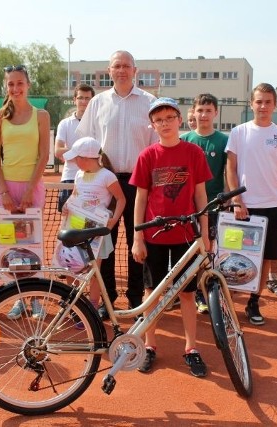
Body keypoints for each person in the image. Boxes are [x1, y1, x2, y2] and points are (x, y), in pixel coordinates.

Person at [131, 97, 212, 377]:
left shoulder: (193, 153)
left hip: (187, 236)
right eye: (158, 120)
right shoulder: (147, 156)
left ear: (180, 119)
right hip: (153, 235)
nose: (164, 124)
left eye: (169, 118)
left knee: (188, 294)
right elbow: (140, 198)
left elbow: (200, 195)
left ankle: (191, 348)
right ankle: (149, 346)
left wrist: (204, 231)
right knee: (150, 294)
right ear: (153, 125)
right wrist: (137, 237)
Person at [76, 50, 157, 318]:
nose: (121, 70)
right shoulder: (97, 103)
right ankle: (106, 299)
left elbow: (156, 147)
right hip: (104, 183)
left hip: (139, 182)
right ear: (109, 71)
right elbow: (84, 142)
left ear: (135, 70)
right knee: (103, 243)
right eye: (116, 66)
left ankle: (136, 299)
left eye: (126, 66)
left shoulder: (149, 102)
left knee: (139, 241)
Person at [225, 83, 277, 325]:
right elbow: (230, 168)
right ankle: (227, 304)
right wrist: (237, 200)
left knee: (265, 259)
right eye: (259, 101)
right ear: (251, 104)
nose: (263, 106)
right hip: (244, 207)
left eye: (267, 102)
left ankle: (254, 301)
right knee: (235, 257)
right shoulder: (239, 132)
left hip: (273, 207)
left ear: (275, 105)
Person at [0, 65, 50, 319]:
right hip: (7, 188)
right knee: (11, 247)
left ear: (28, 85)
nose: (15, 88)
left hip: (32, 188)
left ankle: (36, 300)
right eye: (11, 84)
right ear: (6, 87)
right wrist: (4, 192)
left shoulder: (42, 115)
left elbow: (44, 155)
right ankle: (16, 299)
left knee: (32, 245)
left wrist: (28, 190)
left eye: (20, 83)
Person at [61, 136, 126, 306]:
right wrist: (66, 207)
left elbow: (121, 200)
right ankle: (73, 304)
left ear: (86, 158)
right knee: (72, 266)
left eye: (77, 158)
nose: (74, 161)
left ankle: (93, 307)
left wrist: (113, 221)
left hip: (97, 231)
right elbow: (75, 196)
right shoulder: (78, 174)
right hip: (76, 227)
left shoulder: (107, 176)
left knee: (94, 272)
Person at [181, 93, 228, 314]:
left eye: (209, 110)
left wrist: (227, 199)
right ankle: (186, 292)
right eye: (200, 110)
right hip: (188, 208)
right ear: (193, 112)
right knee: (189, 252)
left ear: (215, 113)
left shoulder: (223, 141)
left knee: (209, 251)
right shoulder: (186, 139)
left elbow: (228, 173)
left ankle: (205, 293)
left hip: (213, 207)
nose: (204, 114)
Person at [54, 83, 95, 212]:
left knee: (90, 222)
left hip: (92, 179)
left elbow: (100, 152)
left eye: (87, 98)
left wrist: (72, 154)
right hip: (69, 178)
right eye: (80, 98)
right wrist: (84, 153)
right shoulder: (64, 124)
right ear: (74, 100)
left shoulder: (98, 123)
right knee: (66, 221)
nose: (84, 101)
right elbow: (58, 151)